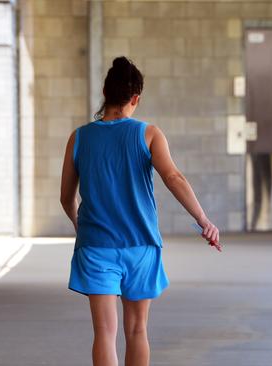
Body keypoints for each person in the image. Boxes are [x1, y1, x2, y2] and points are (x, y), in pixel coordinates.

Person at [59, 56, 221, 366]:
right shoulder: (149, 134)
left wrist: (83, 228)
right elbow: (174, 178)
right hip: (141, 246)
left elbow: (66, 197)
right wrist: (203, 220)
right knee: (136, 330)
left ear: (105, 92)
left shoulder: (78, 138)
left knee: (105, 333)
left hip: (97, 247)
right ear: (136, 98)